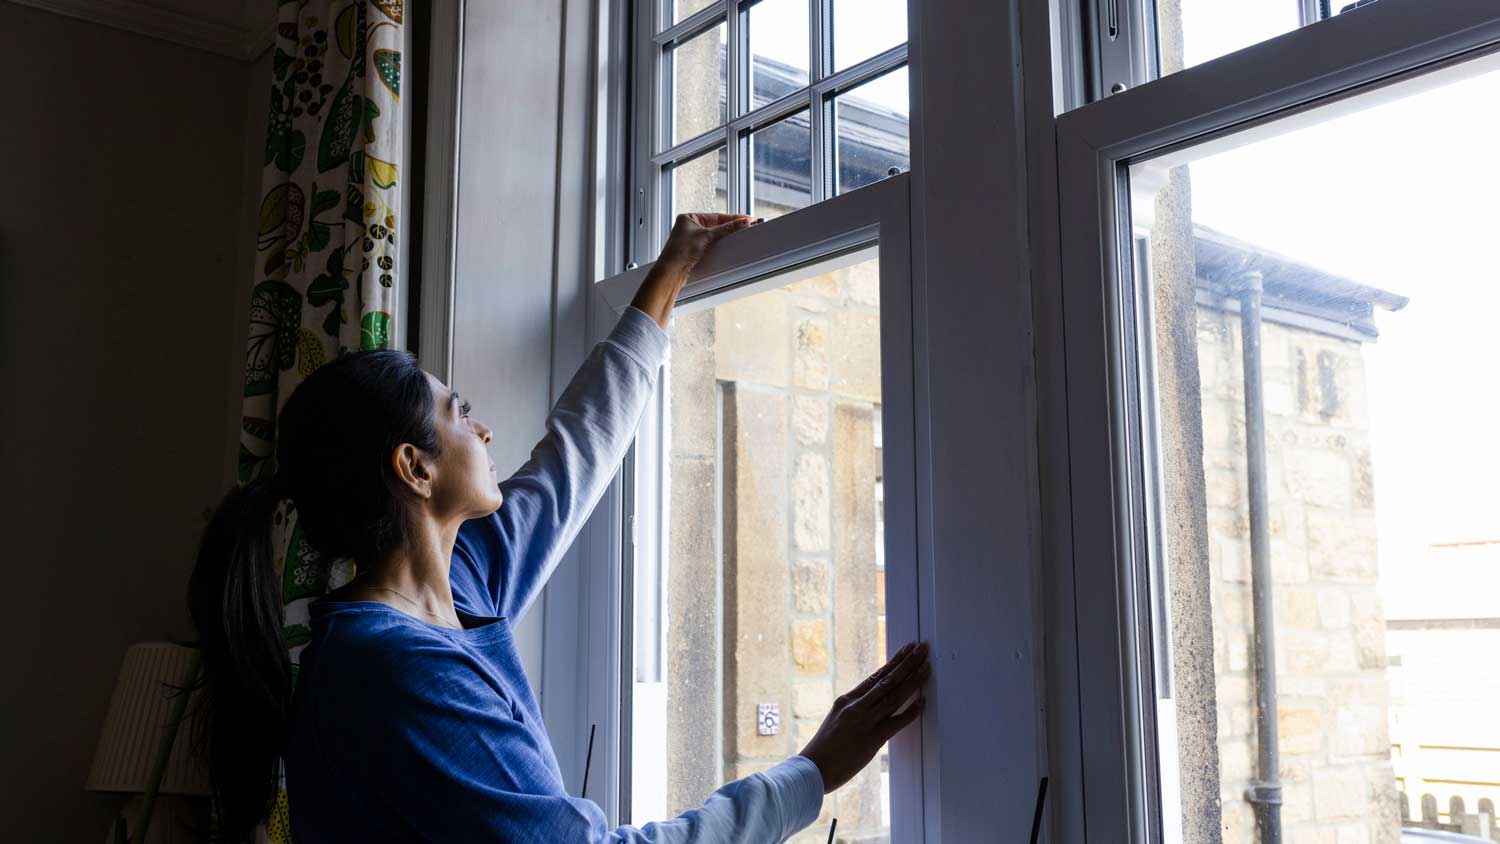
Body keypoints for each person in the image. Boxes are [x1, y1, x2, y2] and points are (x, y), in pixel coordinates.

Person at [188, 212, 931, 843]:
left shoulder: (462, 578)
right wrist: (812, 773)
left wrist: (666, 280)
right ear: (414, 469)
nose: (482, 431)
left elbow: (576, 452)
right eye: (458, 413)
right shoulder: (395, 668)